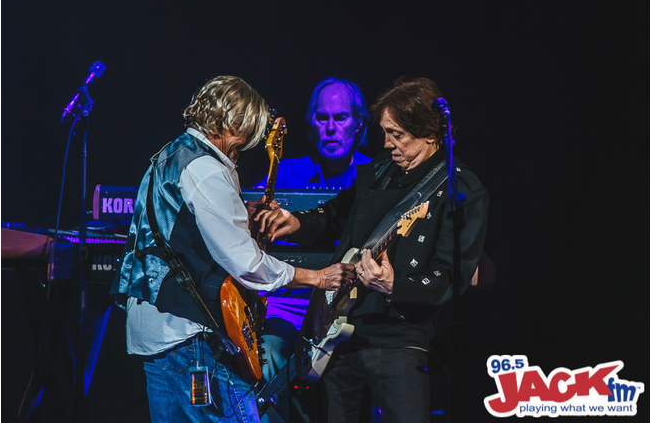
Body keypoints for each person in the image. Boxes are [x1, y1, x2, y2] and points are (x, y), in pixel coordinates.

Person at [109, 76, 355, 423]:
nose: (240, 153)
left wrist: (241, 210)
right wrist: (316, 277)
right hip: (187, 338)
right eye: (242, 141)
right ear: (230, 123)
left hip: (154, 334)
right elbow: (248, 264)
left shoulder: (168, 155)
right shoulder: (207, 168)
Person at [253, 77, 489, 423]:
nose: (387, 144)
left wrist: (395, 285)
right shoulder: (380, 170)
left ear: (429, 133)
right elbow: (337, 213)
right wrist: (298, 223)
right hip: (339, 331)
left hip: (398, 340)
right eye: (384, 133)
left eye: (397, 135)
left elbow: (452, 276)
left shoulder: (461, 189)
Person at [253, 78, 371, 423]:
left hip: (348, 308)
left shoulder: (371, 175)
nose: (331, 128)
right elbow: (249, 217)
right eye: (322, 119)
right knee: (268, 353)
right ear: (311, 125)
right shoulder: (288, 171)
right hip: (291, 302)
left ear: (358, 124)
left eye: (341, 118)